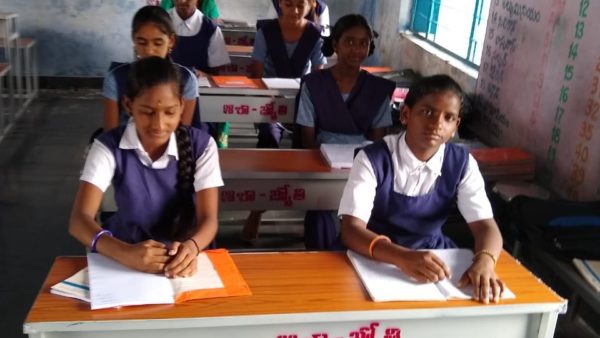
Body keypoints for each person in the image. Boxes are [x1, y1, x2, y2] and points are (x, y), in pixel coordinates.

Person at [339, 74, 505, 303]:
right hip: (373, 256)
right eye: (428, 112)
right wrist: (402, 257)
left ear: (456, 126)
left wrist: (486, 260)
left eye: (448, 117)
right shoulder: (373, 159)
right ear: (406, 114)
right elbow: (351, 230)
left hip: (435, 258)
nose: (437, 124)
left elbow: (486, 226)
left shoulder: (462, 164)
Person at [69, 56, 223, 278]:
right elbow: (79, 220)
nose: (159, 124)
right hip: (126, 253)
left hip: (184, 260)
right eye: (147, 112)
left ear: (181, 106)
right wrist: (124, 253)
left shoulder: (203, 145)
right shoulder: (108, 146)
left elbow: (209, 219)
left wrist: (191, 248)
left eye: (169, 112)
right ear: (128, 105)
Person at [296, 14, 394, 249]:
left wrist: (364, 168)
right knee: (321, 217)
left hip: (363, 165)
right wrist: (319, 168)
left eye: (364, 43)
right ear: (336, 44)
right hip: (321, 162)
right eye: (349, 41)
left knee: (367, 218)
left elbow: (378, 140)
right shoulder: (313, 84)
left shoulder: (377, 89)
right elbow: (307, 138)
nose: (356, 49)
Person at [243, 0, 327, 244]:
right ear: (279, 3)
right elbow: (256, 71)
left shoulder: (315, 34)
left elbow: (320, 74)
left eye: (301, 4)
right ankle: (257, 210)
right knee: (268, 141)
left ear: (311, 4)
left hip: (304, 100)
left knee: (306, 149)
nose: (295, 9)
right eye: (288, 3)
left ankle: (311, 212)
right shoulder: (266, 31)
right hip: (270, 100)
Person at [102, 5, 198, 131]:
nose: (149, 50)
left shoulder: (186, 80)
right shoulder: (116, 78)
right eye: (142, 42)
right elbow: (110, 135)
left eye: (158, 43)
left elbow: (183, 133)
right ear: (133, 39)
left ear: (171, 41)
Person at [168, 0, 230, 75]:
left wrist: (203, 76)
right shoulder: (160, 23)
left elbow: (216, 73)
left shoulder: (211, 30)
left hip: (199, 85)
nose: (182, 1)